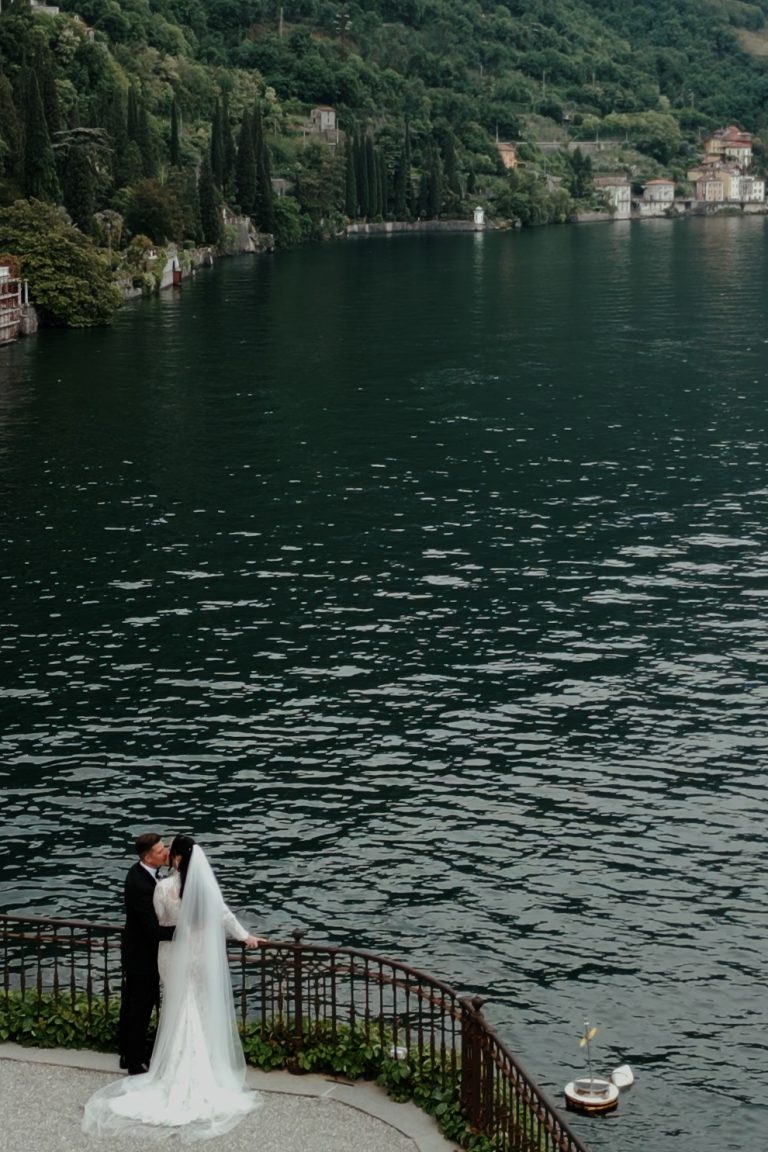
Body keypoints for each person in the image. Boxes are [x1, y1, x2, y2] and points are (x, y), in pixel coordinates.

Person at [83, 835, 264, 1142]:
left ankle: (166, 1065)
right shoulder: (204, 890)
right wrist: (246, 936)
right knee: (197, 1006)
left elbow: (158, 920)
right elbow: (224, 916)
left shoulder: (164, 888)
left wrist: (182, 925)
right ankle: (201, 1065)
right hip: (197, 957)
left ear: (177, 859)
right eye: (159, 850)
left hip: (171, 957)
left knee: (178, 1007)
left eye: (169, 851)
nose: (165, 854)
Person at [118, 832, 175, 1075]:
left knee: (132, 1004)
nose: (166, 853)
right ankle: (135, 1061)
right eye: (161, 850)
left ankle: (127, 1052)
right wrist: (185, 931)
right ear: (148, 857)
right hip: (142, 956)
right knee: (140, 1007)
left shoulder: (141, 873)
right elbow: (152, 930)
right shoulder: (141, 885)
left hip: (135, 952)